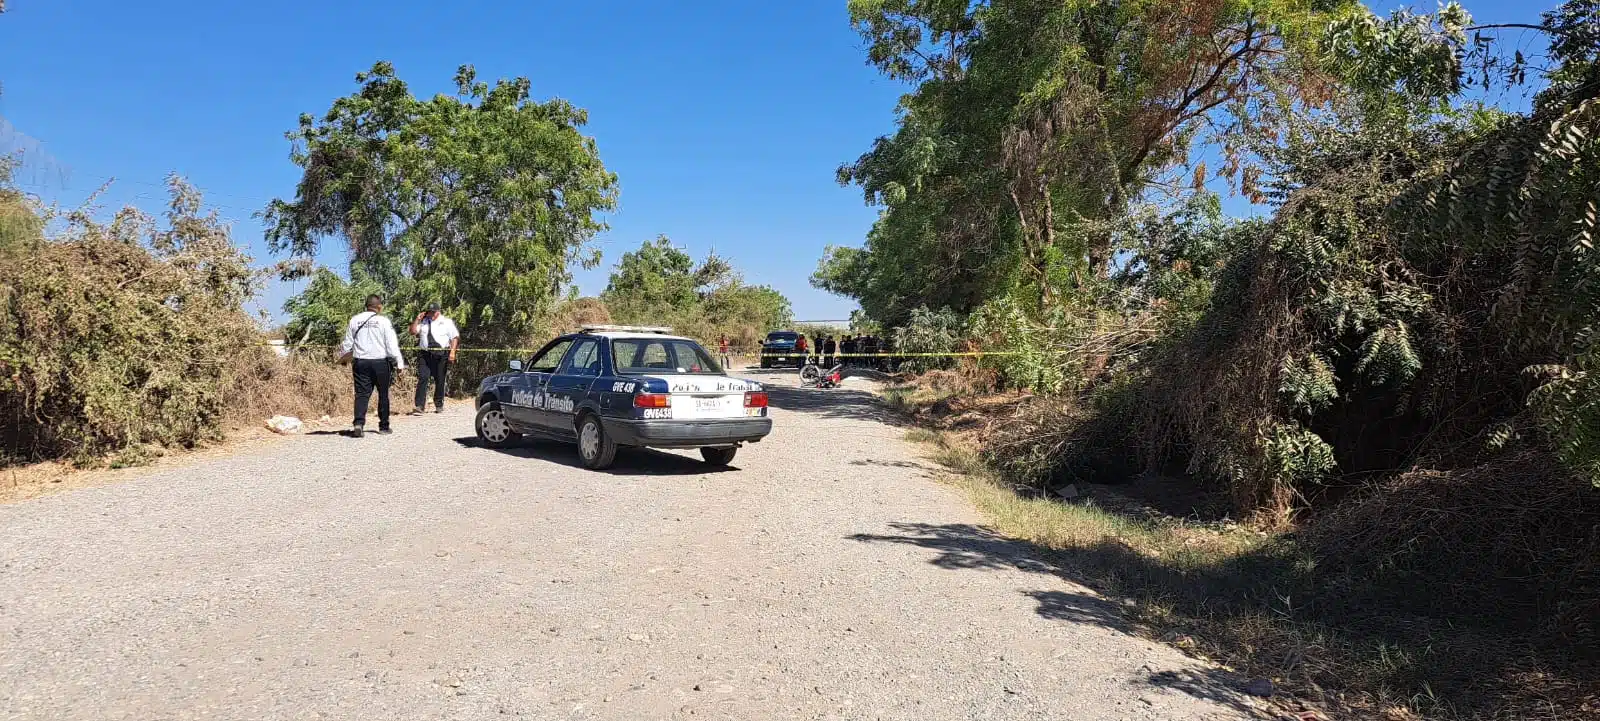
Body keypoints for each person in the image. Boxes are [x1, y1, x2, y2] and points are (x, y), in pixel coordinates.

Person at [338, 294, 406, 438]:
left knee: (362, 394)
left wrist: (343, 358)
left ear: (366, 305)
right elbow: (391, 344)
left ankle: (358, 424)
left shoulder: (354, 320)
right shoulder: (383, 321)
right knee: (383, 394)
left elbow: (348, 343)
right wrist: (399, 363)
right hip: (380, 362)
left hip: (360, 362)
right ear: (379, 306)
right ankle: (384, 426)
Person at [408, 302, 460, 415]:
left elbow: (454, 337)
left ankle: (439, 404)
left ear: (437, 312)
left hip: (441, 354)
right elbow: (412, 332)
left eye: (432, 312)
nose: (430, 314)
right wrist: (417, 319)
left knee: (440, 379)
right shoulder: (423, 322)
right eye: (429, 312)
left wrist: (452, 352)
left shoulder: (446, 322)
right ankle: (419, 406)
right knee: (423, 377)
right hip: (425, 354)